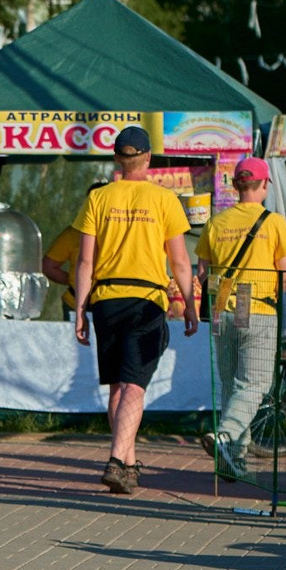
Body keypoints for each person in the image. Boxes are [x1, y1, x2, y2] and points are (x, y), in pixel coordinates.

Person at [70, 126, 199, 495]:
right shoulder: (164, 200)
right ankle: (114, 459)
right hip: (147, 303)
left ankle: (127, 465)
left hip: (107, 301)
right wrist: (188, 304)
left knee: (117, 386)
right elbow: (179, 260)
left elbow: (84, 261)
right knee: (136, 387)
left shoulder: (99, 198)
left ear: (117, 160)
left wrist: (81, 309)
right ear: (149, 160)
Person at [195, 157, 286, 482]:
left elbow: (203, 273)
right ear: (264, 185)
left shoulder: (216, 222)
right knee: (255, 384)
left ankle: (234, 459)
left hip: (223, 306)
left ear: (236, 185)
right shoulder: (274, 222)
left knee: (232, 385)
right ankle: (225, 435)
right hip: (258, 306)